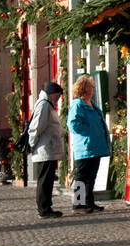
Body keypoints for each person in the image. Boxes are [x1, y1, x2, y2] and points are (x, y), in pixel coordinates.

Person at [66, 75, 110, 214]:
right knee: (82, 177)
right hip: (85, 147)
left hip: (95, 147)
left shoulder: (93, 105)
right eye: (91, 86)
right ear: (84, 88)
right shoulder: (78, 105)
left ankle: (89, 203)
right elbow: (72, 124)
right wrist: (88, 133)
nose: (93, 89)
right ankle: (78, 205)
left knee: (91, 176)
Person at [29, 82, 65, 219]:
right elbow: (37, 126)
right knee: (44, 180)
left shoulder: (47, 104)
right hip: (44, 149)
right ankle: (44, 209)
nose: (58, 99)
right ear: (52, 94)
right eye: (58, 96)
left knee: (47, 179)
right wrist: (31, 144)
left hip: (48, 149)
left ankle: (46, 207)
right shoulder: (44, 105)